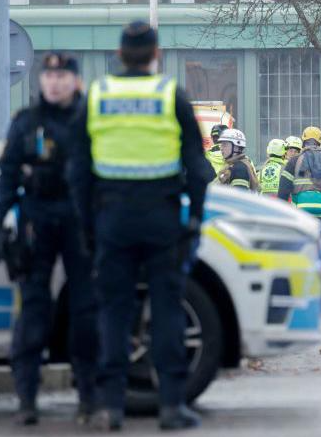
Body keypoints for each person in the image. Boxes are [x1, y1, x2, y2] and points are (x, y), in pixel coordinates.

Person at [68, 21, 214, 431]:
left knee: (113, 310)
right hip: (161, 218)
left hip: (112, 218)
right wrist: (195, 220)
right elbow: (198, 168)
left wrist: (87, 225)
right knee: (167, 308)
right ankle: (170, 406)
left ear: (118, 53)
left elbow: (78, 170)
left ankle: (111, 407)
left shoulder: (97, 96)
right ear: (156, 54)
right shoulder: (171, 96)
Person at [0, 53, 98, 427]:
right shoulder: (27, 122)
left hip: (78, 221)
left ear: (75, 80)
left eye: (62, 75)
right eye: (50, 75)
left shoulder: (89, 121)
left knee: (85, 311)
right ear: (41, 81)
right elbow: (7, 178)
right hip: (36, 222)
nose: (55, 82)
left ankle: (88, 396)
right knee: (35, 310)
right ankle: (27, 397)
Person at [277, 127, 321, 308]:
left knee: (301, 252)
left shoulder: (294, 162)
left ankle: (303, 296)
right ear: (320, 141)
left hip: (301, 215)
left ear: (303, 141)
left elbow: (282, 191)